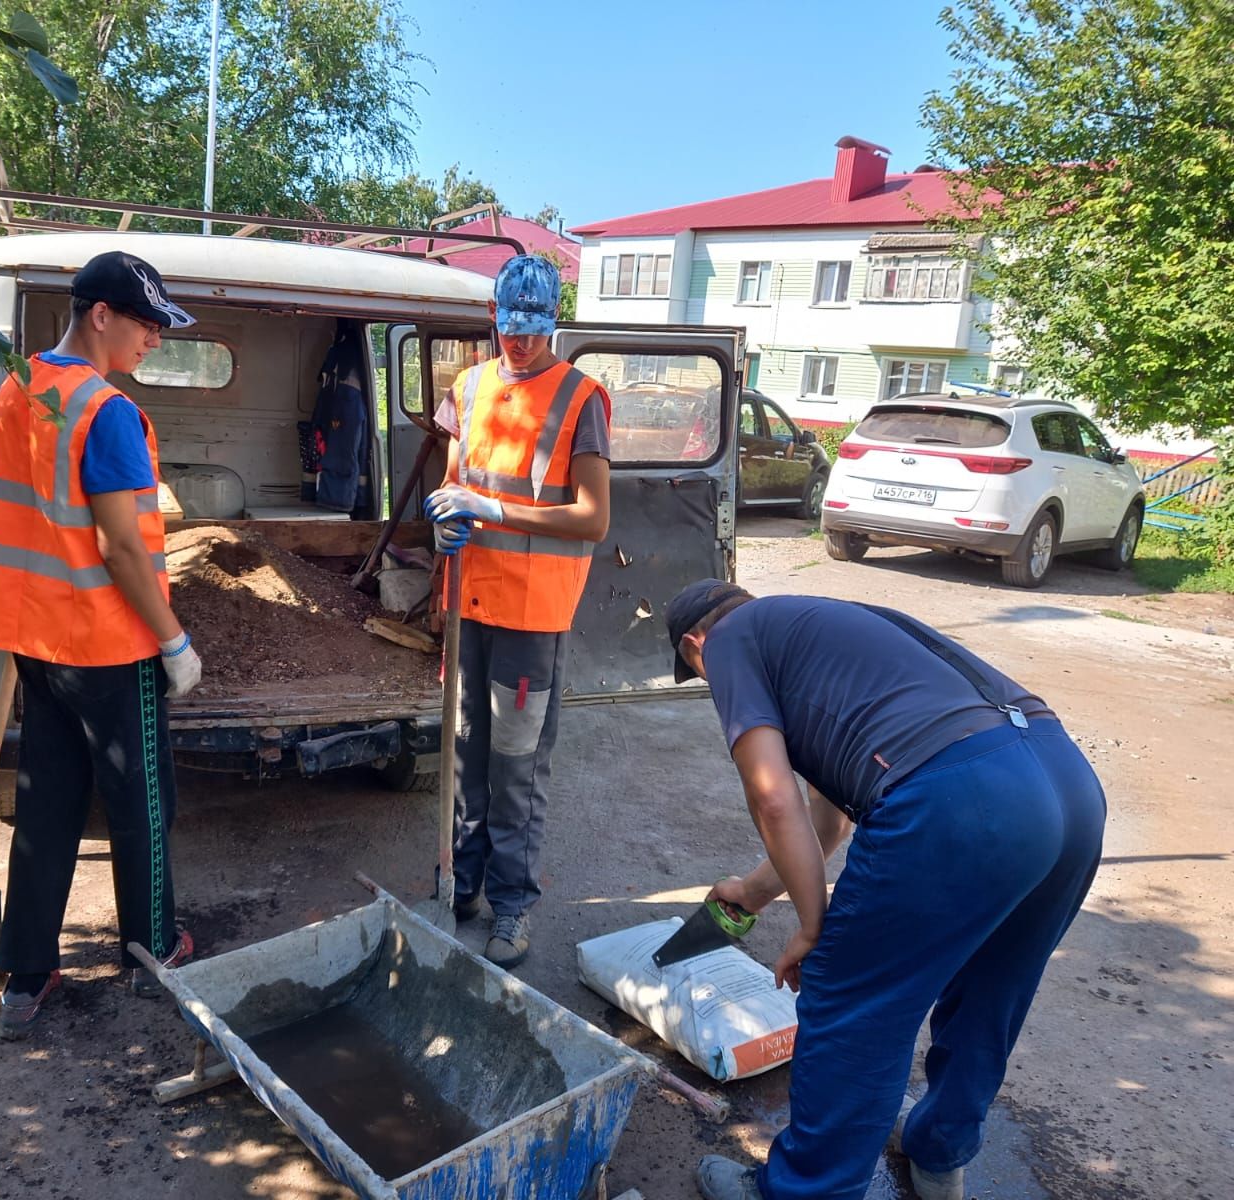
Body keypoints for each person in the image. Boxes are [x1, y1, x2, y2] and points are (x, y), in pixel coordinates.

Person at [665, 580, 1105, 1200]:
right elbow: (830, 817)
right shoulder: (828, 624)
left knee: (852, 1003)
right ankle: (939, 1153)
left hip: (962, 800)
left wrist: (817, 930)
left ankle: (802, 1190)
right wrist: (757, 892)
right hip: (1066, 789)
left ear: (694, 645)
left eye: (699, 674)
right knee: (992, 991)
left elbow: (771, 794)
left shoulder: (730, 641)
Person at [0, 251, 204, 1041]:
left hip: (36, 639)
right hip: (107, 644)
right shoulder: (105, 411)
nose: (153, 342)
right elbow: (122, 549)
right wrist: (172, 641)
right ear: (99, 315)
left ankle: (26, 973)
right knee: (142, 803)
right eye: (146, 325)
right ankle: (155, 949)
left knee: (48, 801)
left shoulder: (20, 387)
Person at [422, 254, 612, 968]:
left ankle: (511, 909)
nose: (519, 341)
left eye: (532, 328)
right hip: (469, 600)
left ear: (553, 323)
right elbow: (450, 483)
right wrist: (442, 521)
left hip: (532, 616)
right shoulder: (468, 386)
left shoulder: (580, 397)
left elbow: (591, 519)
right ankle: (459, 888)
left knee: (516, 767)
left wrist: (494, 508)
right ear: (495, 317)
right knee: (463, 753)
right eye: (509, 326)